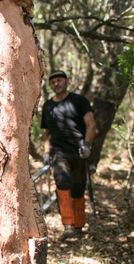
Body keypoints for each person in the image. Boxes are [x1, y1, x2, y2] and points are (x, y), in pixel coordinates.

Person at [41, 70, 97, 240]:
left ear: (66, 81)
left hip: (79, 151)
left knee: (78, 188)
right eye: (53, 82)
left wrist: (87, 146)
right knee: (63, 183)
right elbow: (46, 132)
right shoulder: (48, 105)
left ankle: (79, 225)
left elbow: (91, 125)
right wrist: (45, 151)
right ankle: (68, 226)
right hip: (59, 152)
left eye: (59, 80)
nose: (56, 84)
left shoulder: (79, 101)